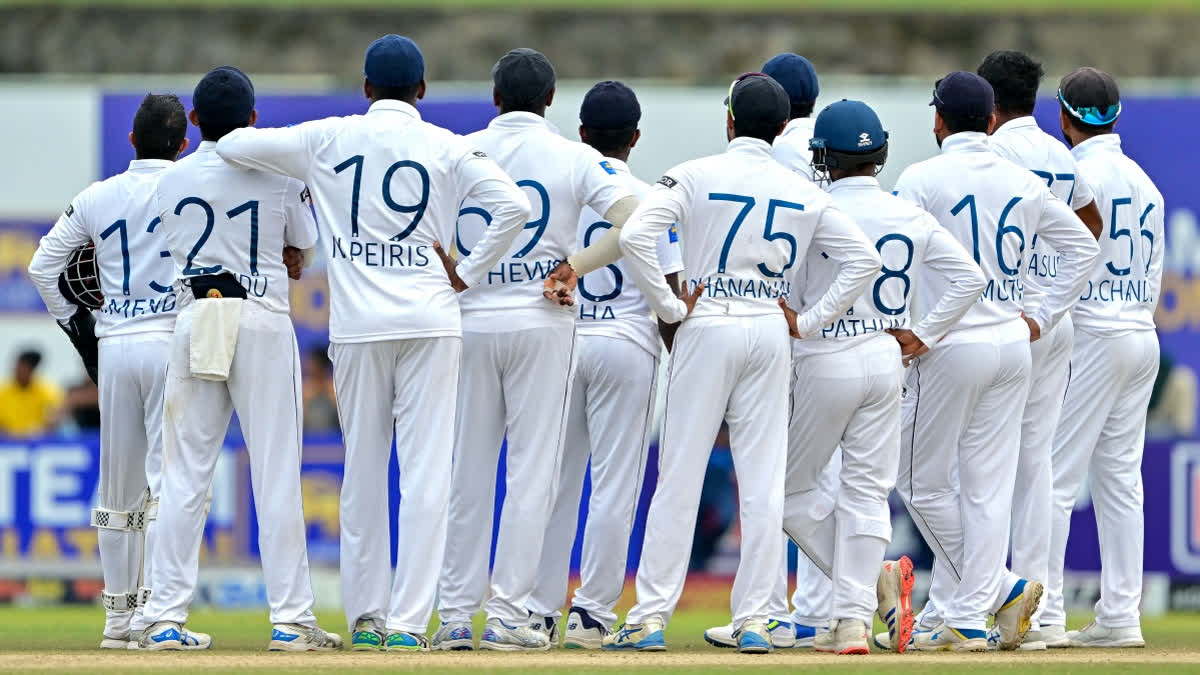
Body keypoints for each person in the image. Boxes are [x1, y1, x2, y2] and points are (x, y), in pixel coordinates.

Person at [216, 35, 531, 652]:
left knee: (362, 469)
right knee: (426, 475)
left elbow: (232, 144)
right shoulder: (446, 145)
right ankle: (412, 624)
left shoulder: (328, 136)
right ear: (422, 90)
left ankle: (367, 617)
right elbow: (513, 207)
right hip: (433, 321)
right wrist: (466, 271)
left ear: (365, 88)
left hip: (359, 328)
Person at [604, 73, 881, 654]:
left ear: (729, 120)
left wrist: (671, 306)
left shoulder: (697, 172)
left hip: (710, 324)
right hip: (768, 329)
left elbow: (635, 236)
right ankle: (757, 617)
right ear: (782, 128)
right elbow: (863, 260)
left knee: (679, 476)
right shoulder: (804, 189)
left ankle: (650, 617)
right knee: (763, 483)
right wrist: (807, 321)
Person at [435, 48, 639, 652]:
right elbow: (637, 218)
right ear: (551, 100)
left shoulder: (458, 148)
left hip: (470, 319)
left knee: (467, 473)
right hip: (540, 320)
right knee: (530, 476)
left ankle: (452, 618)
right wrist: (575, 265)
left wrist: (455, 267)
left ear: (495, 97)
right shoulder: (574, 157)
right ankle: (506, 616)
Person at [892, 71, 1099, 652]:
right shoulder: (1022, 180)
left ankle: (988, 593)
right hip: (1012, 343)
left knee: (916, 482)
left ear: (938, 121)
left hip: (952, 342)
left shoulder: (919, 178)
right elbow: (1085, 246)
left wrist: (914, 331)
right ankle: (970, 611)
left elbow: (899, 260)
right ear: (990, 122)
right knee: (985, 489)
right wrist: (1043, 315)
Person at [139, 66, 340, 651]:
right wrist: (286, 251)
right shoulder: (276, 170)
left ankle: (164, 618)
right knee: (275, 472)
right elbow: (306, 245)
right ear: (253, 120)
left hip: (196, 314)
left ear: (194, 121)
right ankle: (291, 621)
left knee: (183, 476)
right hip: (259, 315)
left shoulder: (170, 180)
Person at [777, 99, 987, 655]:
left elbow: (794, 295)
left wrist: (807, 322)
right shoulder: (907, 214)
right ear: (881, 153)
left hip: (826, 356)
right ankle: (851, 620)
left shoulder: (813, 207)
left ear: (823, 155)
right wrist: (925, 332)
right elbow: (970, 279)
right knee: (867, 494)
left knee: (784, 492)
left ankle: (869, 595)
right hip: (885, 359)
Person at [26, 94, 205, 649]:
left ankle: (118, 622)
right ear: (183, 144)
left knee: (117, 495)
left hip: (116, 345)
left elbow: (42, 267)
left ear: (131, 140)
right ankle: (157, 617)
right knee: (167, 484)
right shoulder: (192, 185)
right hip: (169, 342)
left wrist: (80, 328)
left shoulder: (97, 196)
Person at [526, 80, 684, 649]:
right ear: (635, 138)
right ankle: (590, 613)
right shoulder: (649, 198)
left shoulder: (568, 187)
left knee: (553, 482)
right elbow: (670, 291)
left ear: (583, 133)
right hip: (627, 343)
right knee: (613, 487)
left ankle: (538, 611)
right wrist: (683, 364)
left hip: (563, 340)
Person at [704, 50, 838, 652]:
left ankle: (774, 610)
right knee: (824, 478)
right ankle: (832, 605)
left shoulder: (774, 150)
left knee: (770, 480)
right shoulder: (837, 140)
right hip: (834, 327)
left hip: (774, 321)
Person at [976, 49, 1105, 651]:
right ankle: (1039, 613)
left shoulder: (993, 151)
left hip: (1010, 318)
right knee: (1038, 463)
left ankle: (985, 598)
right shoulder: (1061, 153)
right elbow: (1091, 227)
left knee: (986, 464)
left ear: (989, 102)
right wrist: (1055, 296)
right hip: (1053, 322)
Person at [1043, 67, 1164, 649]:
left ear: (1065, 118)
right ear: (1115, 117)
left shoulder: (1074, 174)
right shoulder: (1148, 183)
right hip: (1140, 330)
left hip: (1095, 330)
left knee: (1055, 474)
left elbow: (1059, 259)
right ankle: (1121, 615)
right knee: (1120, 480)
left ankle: (1042, 615)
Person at [0, 350, 62, 437]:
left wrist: (39, 431)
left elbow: (54, 420)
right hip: (7, 444)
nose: (17, 370)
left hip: (37, 443)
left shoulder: (48, 391)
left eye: (23, 368)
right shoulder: (2, 391)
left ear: (32, 370)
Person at [301, 348, 338, 434]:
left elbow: (345, 420)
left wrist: (329, 395)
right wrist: (305, 401)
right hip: (308, 441)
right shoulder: (303, 391)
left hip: (334, 441)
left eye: (313, 364)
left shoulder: (334, 389)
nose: (309, 367)